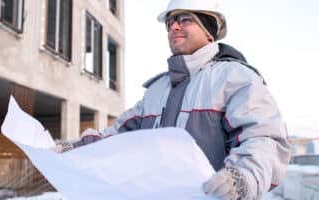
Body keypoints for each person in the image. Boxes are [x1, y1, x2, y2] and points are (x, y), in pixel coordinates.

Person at [55, 0, 291, 199]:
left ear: (208, 29)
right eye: (170, 23)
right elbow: (118, 135)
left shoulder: (235, 78)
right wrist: (76, 147)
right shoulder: (157, 89)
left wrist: (244, 176)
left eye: (185, 19)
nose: (173, 27)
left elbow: (264, 138)